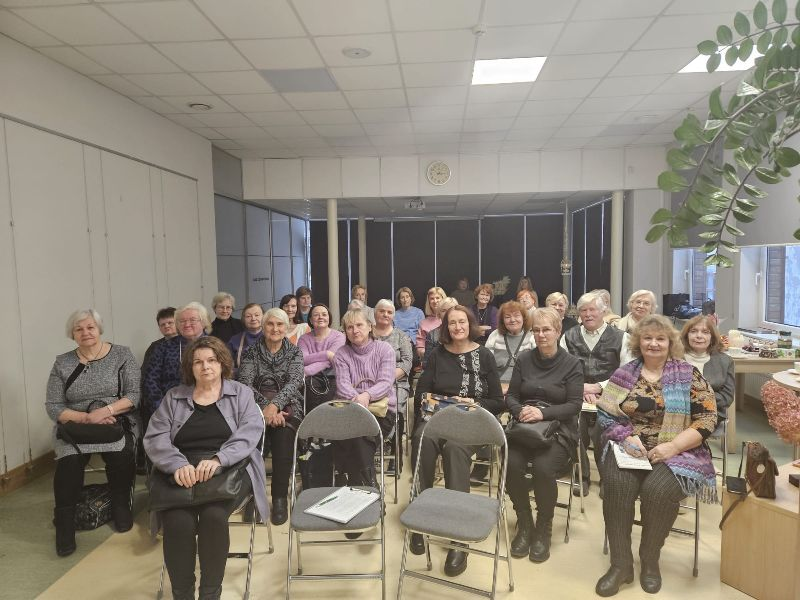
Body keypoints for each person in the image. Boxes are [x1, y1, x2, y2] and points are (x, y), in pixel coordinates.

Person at [595, 314, 717, 597]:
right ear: (638, 342)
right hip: (628, 448)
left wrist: (672, 447)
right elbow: (605, 413)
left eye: (660, 338)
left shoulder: (688, 374)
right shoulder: (624, 374)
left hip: (678, 451)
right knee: (617, 486)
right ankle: (621, 565)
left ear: (670, 343)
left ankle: (650, 560)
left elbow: (708, 418)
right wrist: (626, 437)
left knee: (657, 492)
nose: (653, 343)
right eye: (647, 338)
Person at [144, 337, 267, 600]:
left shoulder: (241, 393)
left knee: (213, 517)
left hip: (229, 468)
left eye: (212, 360)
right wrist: (177, 464)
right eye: (198, 362)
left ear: (223, 364)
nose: (205, 366)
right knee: (178, 521)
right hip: (181, 470)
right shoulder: (174, 396)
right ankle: (183, 594)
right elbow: (155, 437)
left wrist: (219, 459)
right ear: (190, 367)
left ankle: (210, 593)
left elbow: (249, 434)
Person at [411, 305, 504, 576]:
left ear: (470, 324)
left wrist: (474, 404)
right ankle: (421, 516)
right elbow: (421, 392)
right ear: (446, 327)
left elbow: (498, 401)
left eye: (462, 321)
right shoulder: (437, 355)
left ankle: (459, 536)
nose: (457, 327)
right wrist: (439, 403)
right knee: (421, 439)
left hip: (473, 422)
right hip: (439, 417)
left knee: (455, 448)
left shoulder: (484, 355)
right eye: (452, 323)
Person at [46, 309, 140, 556]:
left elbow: (134, 395)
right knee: (68, 462)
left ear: (99, 329)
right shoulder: (62, 362)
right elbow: (54, 406)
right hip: (77, 426)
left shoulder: (122, 355)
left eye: (90, 327)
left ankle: (120, 503)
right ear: (72, 334)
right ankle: (65, 520)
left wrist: (105, 411)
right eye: (79, 329)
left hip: (115, 420)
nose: (85, 332)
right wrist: (87, 418)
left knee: (121, 454)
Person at [506, 308, 583, 563]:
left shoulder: (572, 364)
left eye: (546, 329)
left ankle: (543, 527)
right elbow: (512, 396)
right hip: (525, 426)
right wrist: (521, 411)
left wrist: (543, 413)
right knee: (511, 464)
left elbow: (574, 405)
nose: (541, 335)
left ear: (558, 331)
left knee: (542, 468)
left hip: (558, 428)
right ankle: (525, 522)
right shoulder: (524, 359)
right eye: (536, 330)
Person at [560, 291, 632, 497]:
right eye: (583, 310)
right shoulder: (568, 336)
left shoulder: (622, 337)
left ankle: (607, 477)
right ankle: (581, 475)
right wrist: (581, 388)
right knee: (575, 426)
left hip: (610, 396)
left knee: (604, 427)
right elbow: (562, 368)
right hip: (577, 394)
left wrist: (599, 387)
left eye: (592, 309)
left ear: (603, 311)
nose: (588, 314)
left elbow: (627, 372)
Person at [237, 308, 304, 526]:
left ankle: (279, 499)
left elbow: (295, 383)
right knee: (254, 444)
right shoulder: (251, 352)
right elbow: (245, 384)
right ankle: (253, 497)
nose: (275, 329)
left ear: (286, 328)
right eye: (270, 324)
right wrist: (266, 408)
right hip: (254, 407)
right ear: (263, 326)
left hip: (289, 407)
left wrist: (275, 406)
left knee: (283, 439)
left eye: (280, 324)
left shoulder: (295, 352)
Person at [332, 308, 396, 493]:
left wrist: (366, 395)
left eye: (359, 325)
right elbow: (343, 385)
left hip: (381, 412)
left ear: (370, 326)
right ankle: (369, 486)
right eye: (349, 327)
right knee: (352, 433)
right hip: (350, 409)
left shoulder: (385, 349)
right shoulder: (341, 354)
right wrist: (358, 401)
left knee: (357, 434)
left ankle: (357, 485)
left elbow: (385, 382)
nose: (355, 330)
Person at [144, 302, 210, 414]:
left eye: (192, 320)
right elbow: (150, 381)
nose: (187, 324)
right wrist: (161, 409)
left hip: (207, 406)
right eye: (182, 321)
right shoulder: (163, 347)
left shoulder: (215, 346)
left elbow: (225, 378)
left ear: (203, 322)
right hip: (171, 406)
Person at [372, 299, 413, 461]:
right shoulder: (367, 333)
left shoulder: (401, 336)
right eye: (382, 311)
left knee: (396, 408)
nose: (385, 314)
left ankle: (395, 452)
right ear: (375, 313)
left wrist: (386, 379)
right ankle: (374, 445)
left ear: (393, 316)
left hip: (397, 383)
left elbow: (407, 362)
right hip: (370, 382)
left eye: (389, 312)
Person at [680, 315, 735, 425]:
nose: (699, 336)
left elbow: (727, 397)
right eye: (693, 331)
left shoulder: (725, 361)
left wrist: (700, 399)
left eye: (705, 332)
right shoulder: (675, 358)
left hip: (712, 413)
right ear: (686, 335)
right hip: (677, 412)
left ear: (712, 337)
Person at [298, 304, 346, 411]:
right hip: (310, 380)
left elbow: (333, 361)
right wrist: (327, 354)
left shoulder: (339, 337)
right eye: (316, 315)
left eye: (324, 314)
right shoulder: (303, 339)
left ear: (329, 318)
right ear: (310, 320)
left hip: (333, 377)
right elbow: (303, 359)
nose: (321, 317)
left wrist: (306, 370)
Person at [484, 301, 535, 387]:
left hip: (525, 385)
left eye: (517, 316)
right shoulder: (495, 335)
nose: (512, 320)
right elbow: (486, 364)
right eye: (507, 317)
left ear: (524, 318)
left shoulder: (532, 336)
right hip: (498, 385)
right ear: (502, 321)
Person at [226, 303, 264, 374]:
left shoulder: (272, 337)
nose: (253, 319)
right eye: (248, 316)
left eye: (257, 315)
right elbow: (227, 366)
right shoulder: (234, 340)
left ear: (264, 316)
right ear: (243, 319)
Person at [422, 296, 458, 368]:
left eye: (450, 309)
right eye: (444, 310)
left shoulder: (463, 332)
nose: (447, 313)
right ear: (438, 315)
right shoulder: (432, 335)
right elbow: (426, 363)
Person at [416, 286, 446, 360]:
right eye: (432, 299)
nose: (435, 301)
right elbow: (420, 348)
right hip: (431, 360)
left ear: (443, 299)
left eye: (437, 298)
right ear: (429, 302)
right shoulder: (423, 323)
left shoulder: (450, 319)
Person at [143, 307, 178, 371]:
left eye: (170, 323)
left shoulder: (187, 343)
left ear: (178, 323)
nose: (166, 326)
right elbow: (145, 370)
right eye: (163, 324)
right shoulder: (154, 346)